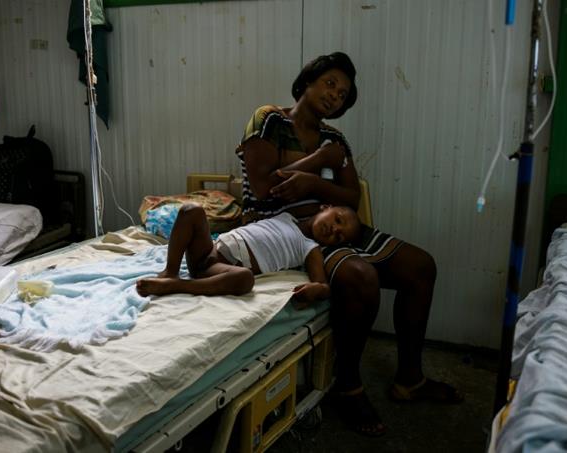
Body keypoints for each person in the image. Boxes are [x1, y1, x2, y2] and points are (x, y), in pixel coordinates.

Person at [235, 52, 462, 437]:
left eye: (342, 94)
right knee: (360, 275)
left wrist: (313, 182)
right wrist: (319, 163)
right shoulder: (269, 119)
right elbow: (264, 187)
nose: (334, 95)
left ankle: (410, 378)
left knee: (421, 266)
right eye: (330, 84)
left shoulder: (335, 139)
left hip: (334, 220)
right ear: (308, 81)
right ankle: (348, 384)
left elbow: (351, 197)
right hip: (287, 228)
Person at [136, 203, 361, 306]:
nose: (334, 229)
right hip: (207, 250)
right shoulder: (286, 215)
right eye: (337, 220)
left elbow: (322, 284)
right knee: (191, 211)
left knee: (244, 278)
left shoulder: (309, 247)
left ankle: (177, 286)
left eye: (338, 237)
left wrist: (317, 290)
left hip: (218, 271)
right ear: (325, 207)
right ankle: (171, 271)